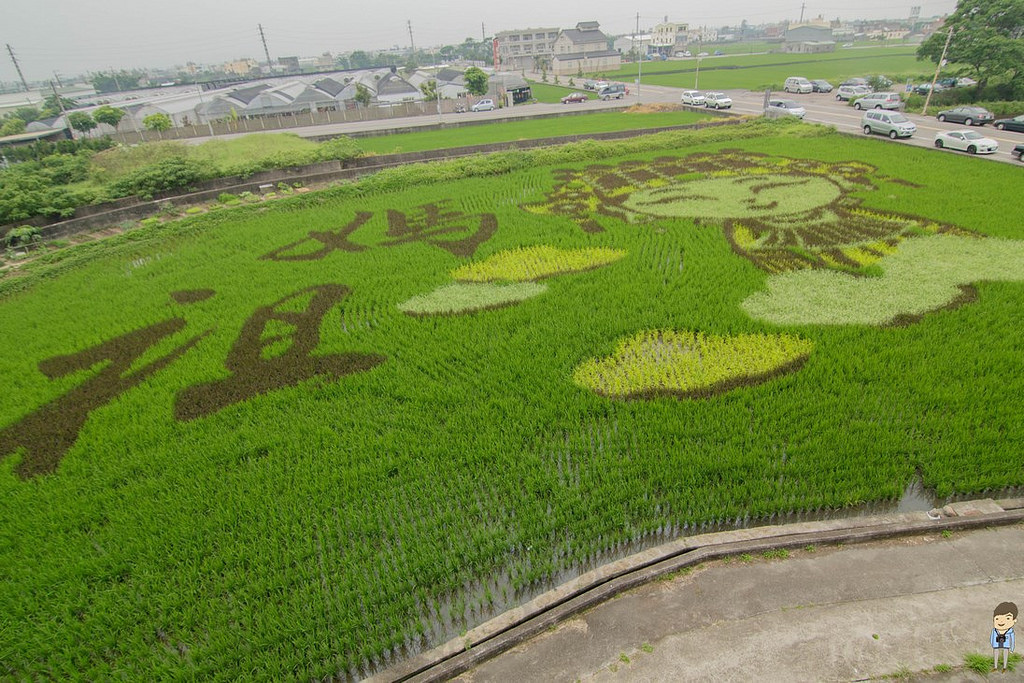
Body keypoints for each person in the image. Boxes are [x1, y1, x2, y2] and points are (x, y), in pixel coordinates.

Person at [991, 602, 1017, 672]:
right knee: (996, 654)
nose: (1001, 621)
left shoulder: (1010, 631)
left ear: (1014, 620)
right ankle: (995, 667)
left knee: (1005, 654)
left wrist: (1012, 648)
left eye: (1007, 618)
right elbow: (992, 637)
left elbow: (1013, 640)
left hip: (1006, 645)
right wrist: (992, 644)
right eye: (997, 619)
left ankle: (1004, 667)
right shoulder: (995, 630)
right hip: (996, 644)